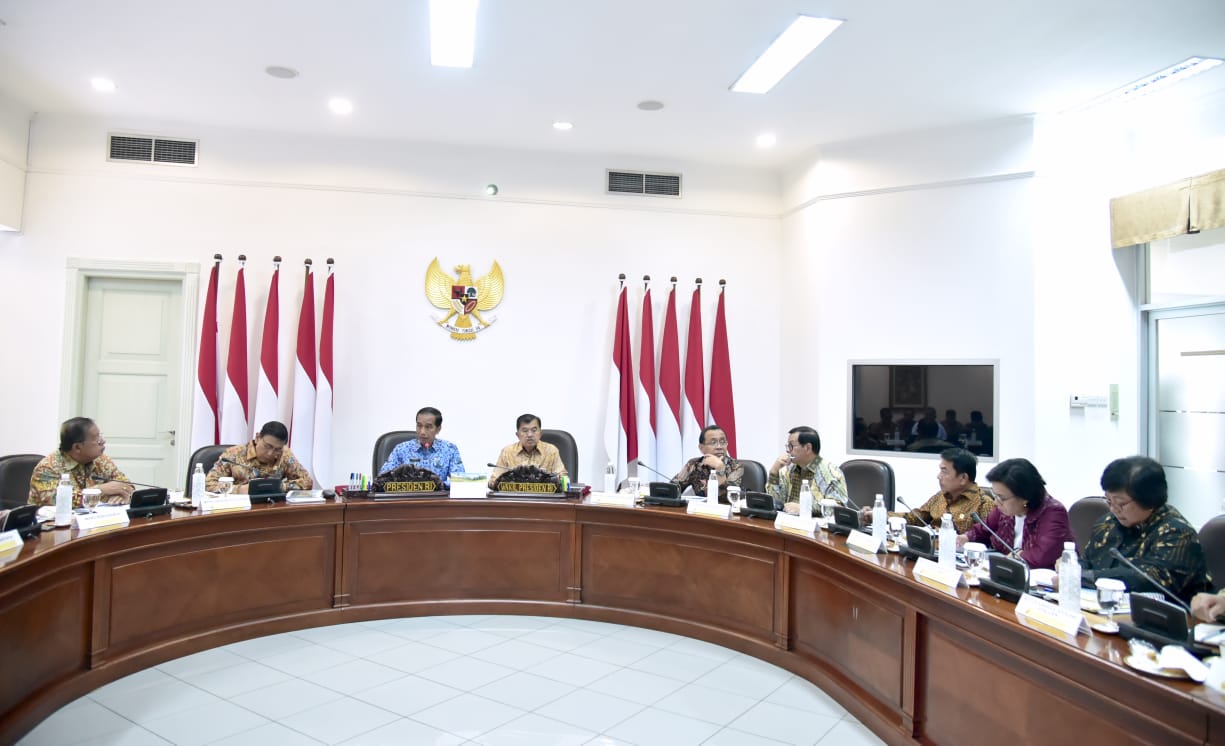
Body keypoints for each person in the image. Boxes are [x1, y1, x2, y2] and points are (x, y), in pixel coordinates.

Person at [1081, 456, 1209, 603]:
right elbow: (1088, 561)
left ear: (1149, 500)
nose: (1113, 509)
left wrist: (1085, 577)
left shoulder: (1177, 533)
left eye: (1120, 504)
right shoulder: (1107, 523)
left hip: (1163, 619)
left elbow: (1146, 580)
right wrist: (1071, 569)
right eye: (1109, 501)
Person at [958, 458, 1074, 570]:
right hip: (1007, 577)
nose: (996, 502)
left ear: (1025, 497)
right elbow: (983, 530)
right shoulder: (1005, 510)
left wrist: (1014, 557)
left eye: (1001, 497)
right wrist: (965, 537)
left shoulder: (1053, 512)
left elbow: (1040, 557)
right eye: (995, 495)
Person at [865, 448, 993, 534]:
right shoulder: (941, 497)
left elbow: (987, 542)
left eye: (944, 471)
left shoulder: (983, 504)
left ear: (963, 478)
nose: (938, 476)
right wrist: (878, 515)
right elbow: (915, 518)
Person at [29, 417, 134, 507]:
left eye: (100, 436)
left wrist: (120, 495)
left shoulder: (101, 460)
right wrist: (100, 490)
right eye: (97, 439)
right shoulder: (47, 468)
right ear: (77, 447)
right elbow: (57, 501)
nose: (103, 441)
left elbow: (126, 484)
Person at [206, 421, 312, 493]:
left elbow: (307, 481)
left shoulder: (284, 455)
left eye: (277, 449)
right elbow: (208, 485)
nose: (271, 453)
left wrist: (279, 487)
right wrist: (239, 490)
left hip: (271, 511)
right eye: (267, 446)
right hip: (238, 511)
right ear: (257, 438)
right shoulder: (233, 454)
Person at [767, 426, 848, 515]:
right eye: (787, 446)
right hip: (787, 523)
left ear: (808, 448)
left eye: (791, 446)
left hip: (816, 526)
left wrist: (805, 508)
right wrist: (774, 472)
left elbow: (839, 509)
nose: (787, 450)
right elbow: (775, 503)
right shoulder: (787, 469)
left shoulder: (832, 473)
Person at [377, 406, 465, 486]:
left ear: (438, 429)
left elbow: (461, 481)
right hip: (406, 499)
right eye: (419, 426)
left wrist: (439, 485)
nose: (422, 432)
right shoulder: (401, 449)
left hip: (438, 500)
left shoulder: (449, 449)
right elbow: (382, 479)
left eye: (428, 427)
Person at [489, 414, 568, 486]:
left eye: (534, 430)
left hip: (544, 498)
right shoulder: (507, 452)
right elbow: (493, 481)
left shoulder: (551, 451)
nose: (530, 435)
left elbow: (563, 479)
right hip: (516, 498)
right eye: (525, 431)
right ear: (518, 435)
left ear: (540, 433)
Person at [670, 425, 743, 501]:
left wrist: (720, 468)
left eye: (722, 442)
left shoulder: (736, 466)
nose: (719, 447)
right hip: (698, 511)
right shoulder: (694, 464)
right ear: (701, 448)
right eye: (713, 442)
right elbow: (672, 488)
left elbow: (730, 498)